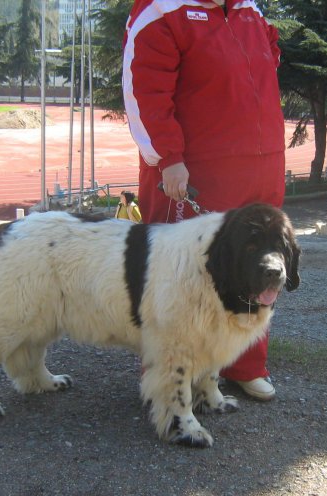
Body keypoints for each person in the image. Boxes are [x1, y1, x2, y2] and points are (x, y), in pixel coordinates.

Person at [122, 0, 286, 400]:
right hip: (194, 171)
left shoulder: (249, 11)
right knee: (182, 278)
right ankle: (172, 375)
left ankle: (243, 362)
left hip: (260, 168)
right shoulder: (162, 12)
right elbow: (145, 91)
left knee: (255, 267)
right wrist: (168, 158)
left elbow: (266, 61)